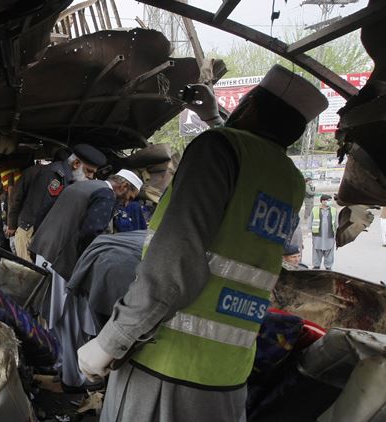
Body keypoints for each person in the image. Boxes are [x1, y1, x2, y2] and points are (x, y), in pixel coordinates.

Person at [77, 65, 327, 422]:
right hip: (228, 373)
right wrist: (212, 116)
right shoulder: (290, 179)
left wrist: (112, 340)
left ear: (250, 106)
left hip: (167, 364)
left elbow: (174, 264)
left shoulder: (218, 149)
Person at [31, 170, 139, 388]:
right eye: (130, 197)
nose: (128, 204)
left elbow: (43, 211)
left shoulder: (82, 185)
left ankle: (59, 364)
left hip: (44, 251)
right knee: (69, 321)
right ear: (123, 187)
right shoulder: (106, 196)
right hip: (62, 259)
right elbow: (91, 234)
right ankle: (73, 378)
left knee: (54, 318)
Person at [6, 144, 106, 260]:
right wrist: (38, 246)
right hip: (32, 234)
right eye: (88, 171)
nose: (90, 176)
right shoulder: (54, 175)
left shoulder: (67, 178)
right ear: (76, 164)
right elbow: (42, 211)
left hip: (42, 236)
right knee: (30, 274)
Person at [310, 194, 337, 270]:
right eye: (327, 200)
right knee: (316, 250)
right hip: (318, 235)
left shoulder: (333, 210)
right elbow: (311, 221)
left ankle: (328, 266)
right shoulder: (315, 209)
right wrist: (310, 231)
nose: (329, 202)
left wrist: (337, 233)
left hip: (329, 235)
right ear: (322, 201)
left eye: (329, 200)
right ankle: (316, 265)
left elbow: (336, 223)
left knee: (329, 250)